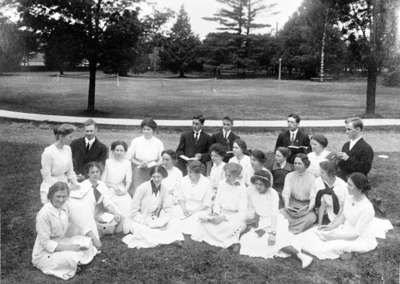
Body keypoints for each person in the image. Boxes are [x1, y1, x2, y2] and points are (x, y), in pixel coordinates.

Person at [297, 173, 393, 260]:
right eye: (347, 183)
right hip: (345, 229)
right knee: (316, 232)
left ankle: (345, 251)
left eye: (350, 185)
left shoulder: (367, 209)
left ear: (359, 188)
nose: (347, 187)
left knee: (331, 245)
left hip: (358, 238)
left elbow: (356, 234)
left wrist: (334, 236)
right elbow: (343, 216)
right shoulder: (349, 197)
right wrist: (331, 226)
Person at [32, 182, 98, 280]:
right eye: (58, 196)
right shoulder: (43, 214)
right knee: (72, 256)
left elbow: (78, 221)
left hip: (61, 241)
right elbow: (45, 243)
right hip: (45, 252)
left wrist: (93, 236)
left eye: (64, 196)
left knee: (86, 242)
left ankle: (76, 262)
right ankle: (73, 263)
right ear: (50, 196)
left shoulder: (65, 206)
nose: (61, 200)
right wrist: (69, 247)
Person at [240, 170, 299, 261]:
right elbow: (249, 208)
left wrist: (273, 233)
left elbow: (274, 214)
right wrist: (252, 220)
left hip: (274, 222)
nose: (258, 186)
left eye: (261, 184)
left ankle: (300, 256)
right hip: (260, 222)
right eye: (256, 184)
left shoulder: (273, 193)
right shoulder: (250, 190)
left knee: (275, 239)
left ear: (266, 185)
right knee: (247, 240)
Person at [122, 166, 184, 248]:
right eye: (154, 177)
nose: (156, 179)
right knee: (142, 230)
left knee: (175, 222)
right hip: (141, 219)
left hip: (156, 219)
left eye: (159, 177)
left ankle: (158, 239)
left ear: (163, 177)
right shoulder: (142, 188)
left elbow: (168, 208)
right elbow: (133, 211)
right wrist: (144, 222)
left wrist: (164, 220)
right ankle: (169, 240)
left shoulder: (164, 189)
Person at [192, 163, 247, 250]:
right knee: (203, 222)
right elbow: (217, 201)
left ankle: (231, 241)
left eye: (229, 176)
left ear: (236, 176)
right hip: (220, 213)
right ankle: (226, 239)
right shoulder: (222, 183)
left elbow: (242, 212)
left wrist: (224, 217)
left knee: (231, 226)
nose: (227, 177)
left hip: (233, 217)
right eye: (226, 175)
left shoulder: (242, 188)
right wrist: (216, 213)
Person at [68, 162, 122, 239]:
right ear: (88, 174)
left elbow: (108, 202)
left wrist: (116, 213)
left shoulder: (102, 185)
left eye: (97, 172)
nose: (95, 174)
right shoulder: (83, 186)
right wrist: (95, 218)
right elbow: (83, 209)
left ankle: (101, 226)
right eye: (92, 172)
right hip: (87, 215)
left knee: (116, 218)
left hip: (98, 213)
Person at [40, 124, 78, 204]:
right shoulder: (48, 152)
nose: (72, 139)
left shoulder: (68, 149)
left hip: (65, 183)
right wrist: (60, 189)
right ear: (61, 137)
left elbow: (70, 172)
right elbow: (47, 177)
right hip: (51, 186)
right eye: (70, 137)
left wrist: (75, 184)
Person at [281, 153, 317, 234]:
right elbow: (286, 193)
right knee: (280, 214)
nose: (296, 165)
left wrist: (308, 210)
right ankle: (285, 229)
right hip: (292, 204)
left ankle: (292, 231)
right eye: (295, 163)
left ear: (306, 165)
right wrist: (286, 206)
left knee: (311, 218)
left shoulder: (312, 178)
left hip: (305, 206)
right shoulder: (289, 176)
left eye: (299, 163)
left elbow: (313, 197)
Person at [176, 160, 213, 236]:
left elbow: (206, 203)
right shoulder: (183, 180)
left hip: (200, 208)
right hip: (186, 206)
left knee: (195, 220)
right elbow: (180, 197)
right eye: (188, 171)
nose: (188, 174)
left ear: (198, 173)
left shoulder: (206, 182)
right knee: (174, 214)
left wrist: (193, 211)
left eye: (190, 172)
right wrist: (184, 209)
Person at [128, 118, 164, 192]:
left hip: (153, 170)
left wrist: (153, 164)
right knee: (138, 191)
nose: (146, 131)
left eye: (148, 129)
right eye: (144, 129)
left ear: (153, 130)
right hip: (138, 168)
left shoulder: (158, 143)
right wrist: (140, 164)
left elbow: (162, 159)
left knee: (151, 192)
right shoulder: (136, 141)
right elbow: (129, 157)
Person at [102, 141, 132, 221]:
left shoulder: (127, 163)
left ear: (125, 152)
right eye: (117, 150)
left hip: (120, 187)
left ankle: (125, 222)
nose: (119, 152)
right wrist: (112, 186)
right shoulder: (107, 162)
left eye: (121, 150)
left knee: (126, 202)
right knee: (111, 204)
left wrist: (125, 191)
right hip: (107, 187)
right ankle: (116, 219)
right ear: (112, 151)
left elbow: (129, 180)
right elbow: (103, 181)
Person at [314, 161, 348, 226]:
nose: (320, 174)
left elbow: (344, 208)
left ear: (331, 174)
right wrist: (319, 224)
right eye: (320, 171)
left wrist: (333, 224)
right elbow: (322, 204)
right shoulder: (318, 182)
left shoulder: (343, 186)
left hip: (342, 216)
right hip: (328, 214)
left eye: (322, 173)